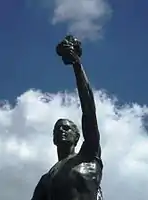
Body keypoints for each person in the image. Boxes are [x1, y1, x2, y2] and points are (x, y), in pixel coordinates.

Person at [31, 36, 103, 200]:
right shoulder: (46, 179)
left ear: (77, 137)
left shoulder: (89, 156)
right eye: (57, 129)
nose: (61, 131)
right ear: (53, 138)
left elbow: (89, 110)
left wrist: (77, 65)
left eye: (66, 128)